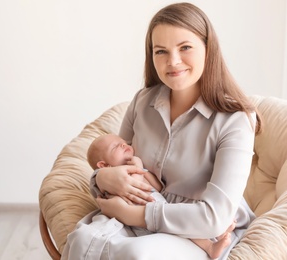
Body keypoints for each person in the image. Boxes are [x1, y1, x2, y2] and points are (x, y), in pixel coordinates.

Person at [63, 2, 262, 260]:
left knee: (138, 254)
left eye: (185, 47)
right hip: (137, 218)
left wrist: (134, 214)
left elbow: (214, 217)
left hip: (199, 233)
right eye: (161, 51)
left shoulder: (236, 120)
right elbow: (113, 164)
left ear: (208, 48)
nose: (173, 61)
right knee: (82, 238)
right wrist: (100, 179)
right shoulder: (142, 102)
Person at [87, 133, 236, 259]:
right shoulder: (115, 181)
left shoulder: (136, 168)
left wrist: (144, 171)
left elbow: (157, 187)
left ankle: (213, 238)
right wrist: (138, 168)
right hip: (144, 224)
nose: (122, 145)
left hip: (161, 208)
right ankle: (210, 245)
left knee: (184, 226)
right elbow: (135, 188)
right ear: (104, 166)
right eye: (115, 147)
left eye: (123, 142)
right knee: (180, 231)